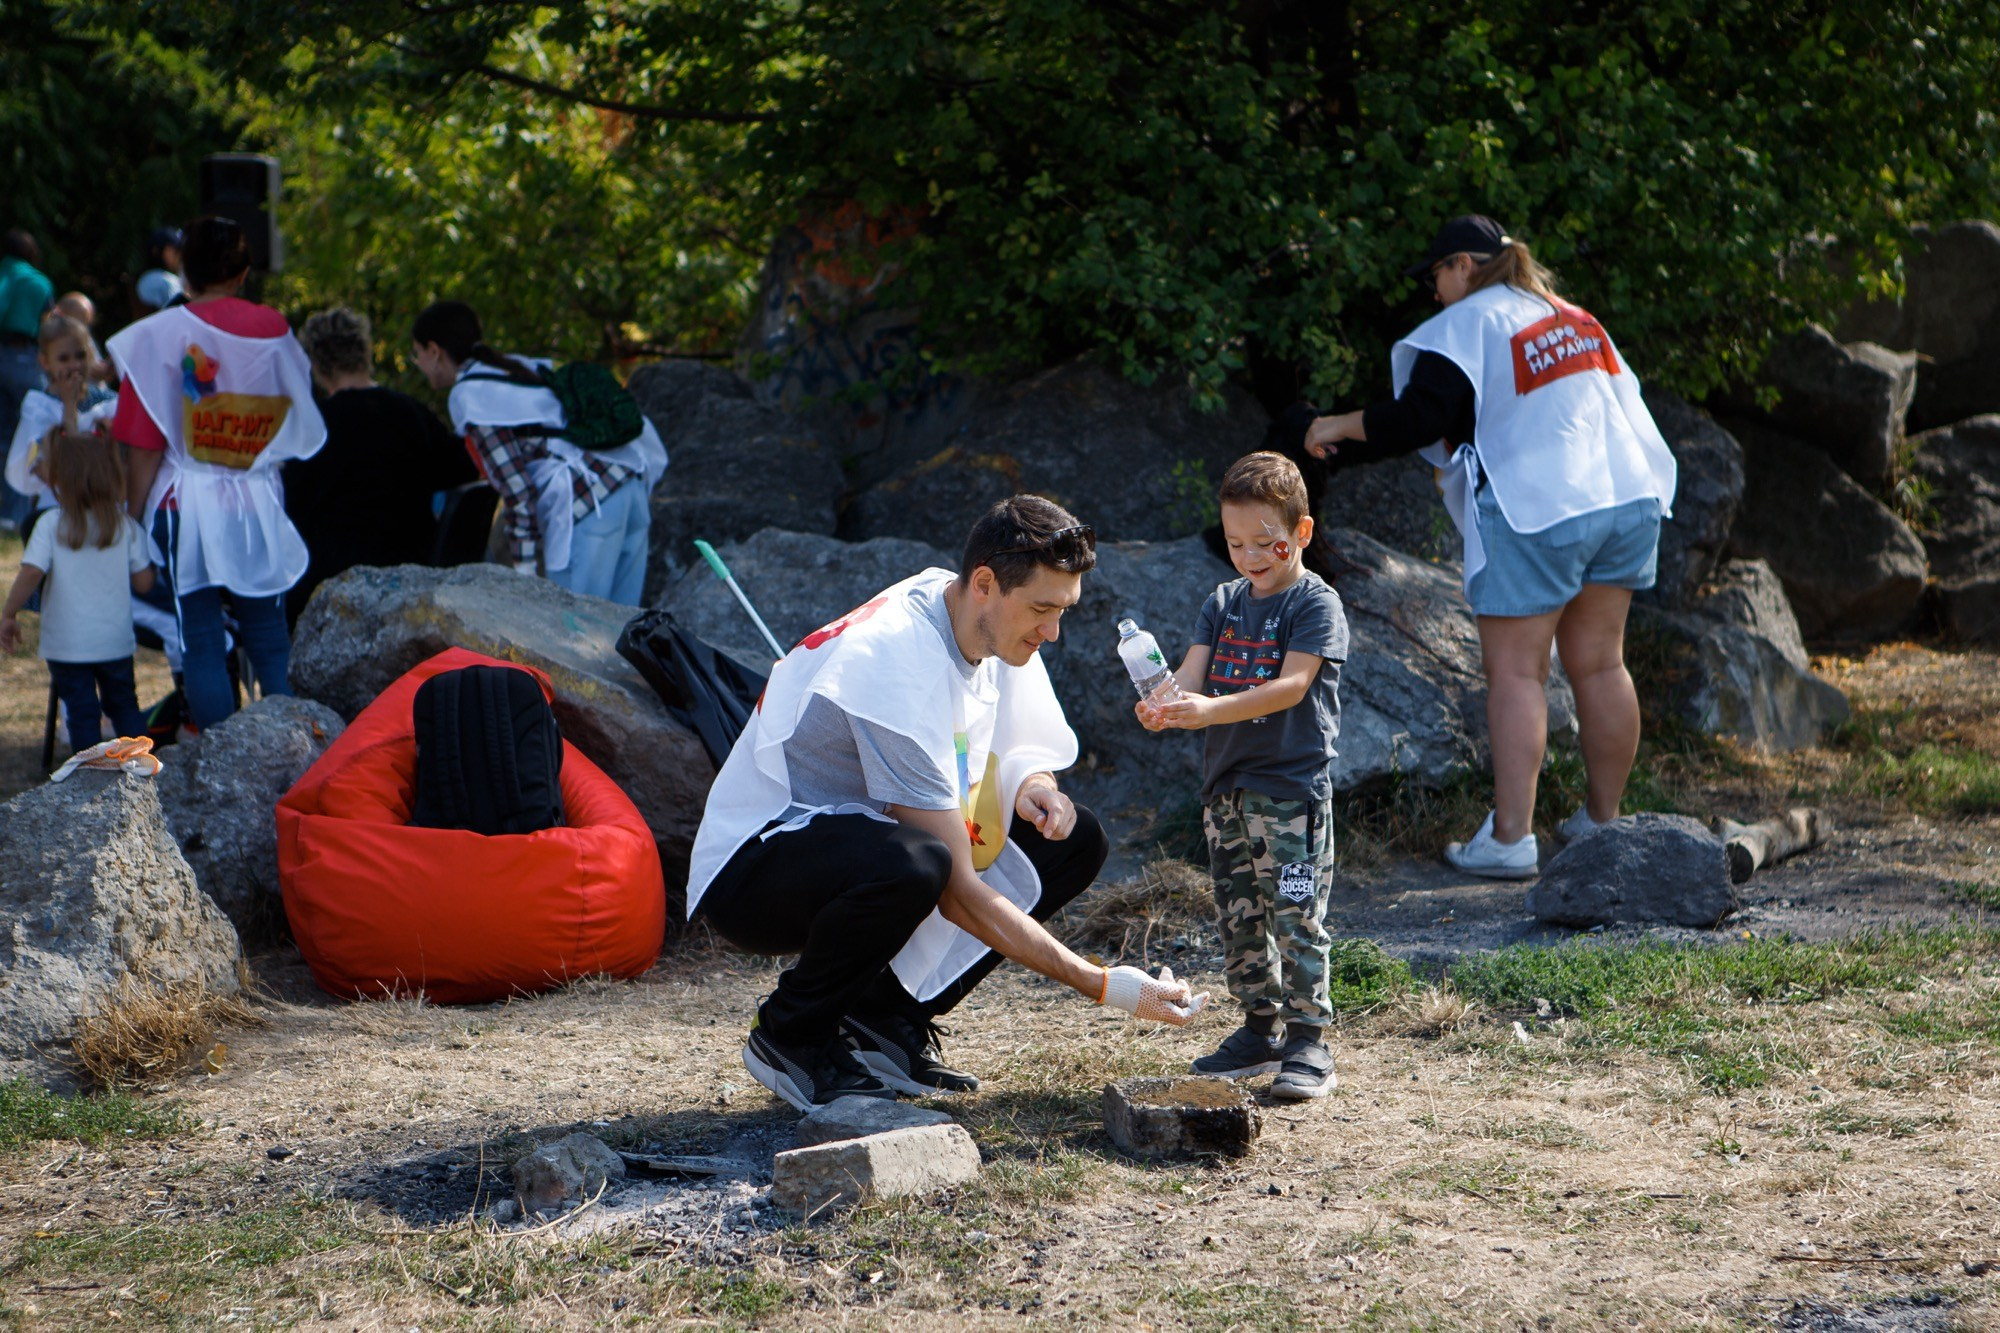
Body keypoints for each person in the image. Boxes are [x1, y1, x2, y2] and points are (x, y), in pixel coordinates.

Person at [688, 495, 1206, 1111]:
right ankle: (791, 1034)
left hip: (858, 841)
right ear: (985, 583)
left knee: (1075, 840)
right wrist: (1106, 985)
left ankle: (883, 1016)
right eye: (1042, 609)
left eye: (1063, 610)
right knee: (918, 862)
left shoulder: (978, 615)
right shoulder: (896, 660)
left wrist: (1034, 784)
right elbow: (959, 893)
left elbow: (1021, 737)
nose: (1053, 632)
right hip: (756, 868)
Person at [1303, 215, 1677, 878]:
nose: (1433, 292)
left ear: (1464, 267)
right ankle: (1603, 822)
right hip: (1629, 497)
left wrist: (1332, 424)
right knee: (1599, 664)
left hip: (1541, 509)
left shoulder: (1470, 322)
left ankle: (1509, 840)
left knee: (1517, 673)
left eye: (1434, 276)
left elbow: (1420, 416)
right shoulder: (1574, 317)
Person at [1137, 452, 1348, 1099]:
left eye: (1267, 542)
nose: (1251, 556)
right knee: (1240, 916)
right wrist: (1165, 702)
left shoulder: (1315, 602)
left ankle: (1309, 1040)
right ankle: (1259, 1028)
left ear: (1302, 533)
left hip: (1290, 791)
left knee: (1295, 913)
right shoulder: (1224, 602)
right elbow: (1191, 676)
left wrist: (1207, 711)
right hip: (1226, 789)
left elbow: (1291, 686)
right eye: (1235, 543)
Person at [107, 214, 325, 730]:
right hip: (255, 499)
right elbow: (296, 414)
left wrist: (132, 519)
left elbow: (142, 445)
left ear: (185, 272)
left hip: (184, 501)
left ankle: (221, 761)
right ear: (244, 271)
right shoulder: (274, 327)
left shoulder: (158, 333)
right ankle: (291, 752)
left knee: (200, 638)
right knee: (269, 635)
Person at [410, 301, 664, 605]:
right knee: (625, 634)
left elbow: (518, 492)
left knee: (576, 633)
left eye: (417, 354)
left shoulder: (471, 395)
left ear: (434, 351)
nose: (418, 363)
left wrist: (525, 579)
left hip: (587, 506)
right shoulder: (517, 367)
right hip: (628, 486)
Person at [285, 306, 478, 623]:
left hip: (327, 587)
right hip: (409, 574)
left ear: (316, 365)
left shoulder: (311, 427)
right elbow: (465, 468)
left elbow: (291, 506)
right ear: (365, 352)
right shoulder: (412, 414)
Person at [0, 430, 156, 753]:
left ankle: (87, 783)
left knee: (83, 714)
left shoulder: (50, 524)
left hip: (67, 645)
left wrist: (9, 612)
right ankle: (142, 775)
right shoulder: (123, 525)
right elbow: (144, 583)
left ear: (59, 478)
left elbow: (31, 572)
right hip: (114, 642)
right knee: (125, 707)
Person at [7, 314, 117, 538]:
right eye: (64, 359)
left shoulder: (107, 403)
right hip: (56, 503)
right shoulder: (39, 406)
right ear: (45, 362)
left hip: (103, 501)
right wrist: (69, 407)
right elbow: (39, 463)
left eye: (80, 355)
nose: (74, 365)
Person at [0, 230, 56, 529]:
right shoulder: (39, 281)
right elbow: (49, 323)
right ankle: (14, 514)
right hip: (25, 358)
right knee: (25, 438)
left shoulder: (3, 273)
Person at [53, 293, 116, 385]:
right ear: (62, 315)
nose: (84, 328)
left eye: (87, 323)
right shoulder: (56, 341)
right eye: (80, 322)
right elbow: (89, 371)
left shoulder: (84, 334)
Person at [134, 226, 185, 315]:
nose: (179, 254)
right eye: (174, 249)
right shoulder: (160, 279)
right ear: (156, 250)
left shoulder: (148, 278)